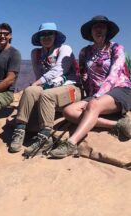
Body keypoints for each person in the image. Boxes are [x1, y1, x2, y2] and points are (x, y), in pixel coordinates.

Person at [50, 16, 131, 158]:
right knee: (68, 111)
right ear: (91, 32)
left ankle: (71, 143)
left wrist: (97, 96)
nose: (99, 29)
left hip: (120, 89)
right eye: (95, 27)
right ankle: (117, 125)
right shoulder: (84, 52)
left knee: (93, 105)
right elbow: (83, 76)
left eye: (102, 26)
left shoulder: (116, 48)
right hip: (96, 95)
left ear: (107, 31)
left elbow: (114, 74)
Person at [9, 23, 81, 154]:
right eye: (43, 34)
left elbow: (59, 70)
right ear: (39, 38)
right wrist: (36, 86)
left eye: (50, 34)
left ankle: (45, 138)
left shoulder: (64, 49)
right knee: (30, 91)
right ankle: (19, 130)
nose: (46, 37)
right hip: (48, 86)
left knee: (46, 95)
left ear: (55, 36)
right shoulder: (36, 53)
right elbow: (39, 75)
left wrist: (38, 83)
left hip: (70, 87)